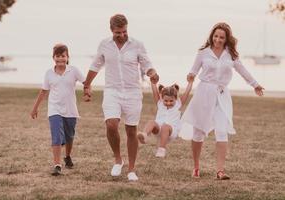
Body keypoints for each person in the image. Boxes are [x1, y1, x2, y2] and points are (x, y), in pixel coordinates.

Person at [179, 22, 264, 180]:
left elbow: (242, 70)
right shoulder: (203, 53)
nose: (218, 39)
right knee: (198, 132)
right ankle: (196, 167)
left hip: (222, 95)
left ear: (226, 39)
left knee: (222, 130)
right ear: (212, 36)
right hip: (204, 93)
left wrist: (255, 85)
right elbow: (193, 71)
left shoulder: (230, 54)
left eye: (221, 37)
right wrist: (190, 76)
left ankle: (220, 171)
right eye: (216, 36)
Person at [83, 14, 159, 181]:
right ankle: (118, 159)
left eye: (124, 31)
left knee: (131, 130)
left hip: (133, 92)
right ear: (112, 30)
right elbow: (95, 65)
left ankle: (131, 169)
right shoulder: (104, 45)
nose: (122, 35)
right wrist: (87, 84)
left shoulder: (137, 45)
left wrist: (153, 74)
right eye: (118, 32)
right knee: (111, 125)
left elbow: (147, 65)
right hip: (112, 91)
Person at [31, 44, 85, 176]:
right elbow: (43, 91)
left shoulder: (74, 71)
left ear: (67, 57)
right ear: (53, 57)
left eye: (63, 56)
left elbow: (86, 83)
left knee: (69, 136)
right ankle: (57, 165)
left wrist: (87, 92)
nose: (60, 58)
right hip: (54, 109)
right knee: (56, 136)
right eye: (58, 56)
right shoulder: (49, 73)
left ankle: (67, 156)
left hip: (71, 110)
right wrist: (35, 108)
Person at [137, 80, 193, 158]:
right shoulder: (160, 103)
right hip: (159, 129)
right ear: (162, 98)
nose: (168, 103)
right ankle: (145, 135)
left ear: (175, 99)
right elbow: (154, 92)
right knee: (151, 122)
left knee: (165, 126)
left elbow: (187, 93)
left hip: (171, 131)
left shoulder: (178, 104)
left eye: (171, 101)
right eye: (166, 101)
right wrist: (153, 83)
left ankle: (161, 149)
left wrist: (190, 82)